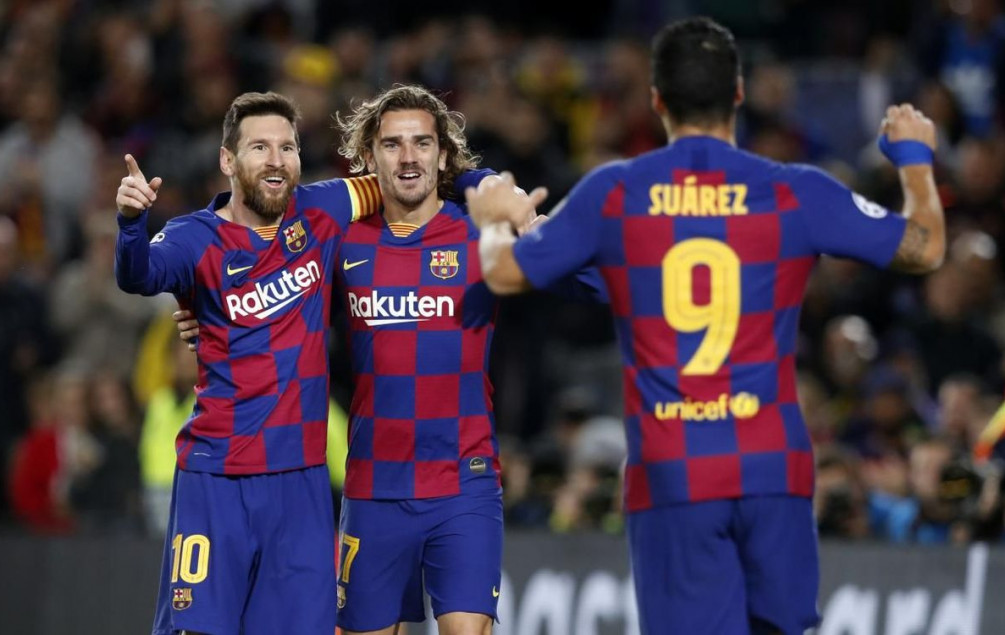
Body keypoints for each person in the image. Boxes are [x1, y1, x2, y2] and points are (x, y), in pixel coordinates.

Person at [465, 16, 945, 635]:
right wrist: (914, 158)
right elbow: (926, 246)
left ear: (657, 99)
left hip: (675, 471)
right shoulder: (795, 191)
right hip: (772, 469)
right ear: (738, 93)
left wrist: (495, 219)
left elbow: (505, 273)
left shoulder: (616, 192)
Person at [175, 84, 599, 635]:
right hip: (374, 488)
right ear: (369, 158)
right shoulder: (341, 237)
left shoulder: (482, 230)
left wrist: (540, 233)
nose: (408, 157)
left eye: (422, 143)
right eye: (392, 144)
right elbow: (257, 269)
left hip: (463, 483)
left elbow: (589, 286)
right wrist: (208, 315)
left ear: (442, 156)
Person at [115, 91, 386, 635]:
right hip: (219, 477)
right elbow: (140, 275)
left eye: (287, 147)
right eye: (259, 147)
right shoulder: (195, 238)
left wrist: (495, 190)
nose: (276, 159)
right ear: (227, 159)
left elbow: (409, 179)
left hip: (301, 482)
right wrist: (130, 222)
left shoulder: (323, 208)